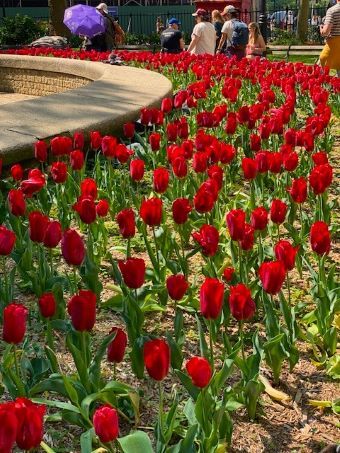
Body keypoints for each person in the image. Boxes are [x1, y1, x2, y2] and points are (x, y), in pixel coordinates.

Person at [319, 0, 340, 76]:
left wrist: (321, 29)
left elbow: (326, 32)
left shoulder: (332, 10)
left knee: (320, 70)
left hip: (333, 47)